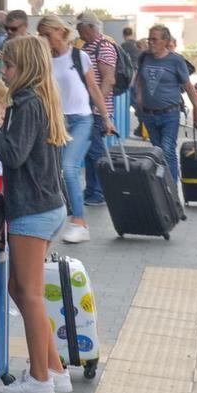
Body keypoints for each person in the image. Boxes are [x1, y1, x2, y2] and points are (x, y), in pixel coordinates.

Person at [0, 36, 72, 393]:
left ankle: (40, 381)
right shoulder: (43, 99)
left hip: (32, 210)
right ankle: (55, 370)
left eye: (10, 65)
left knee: (31, 295)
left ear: (25, 67)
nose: (5, 71)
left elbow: (15, 155)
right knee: (18, 289)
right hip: (48, 207)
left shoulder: (24, 102)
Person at [37, 16, 114, 245]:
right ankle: (53, 219)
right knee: (50, 171)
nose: (43, 39)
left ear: (60, 32)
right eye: (40, 35)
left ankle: (79, 223)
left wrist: (106, 118)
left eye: (47, 34)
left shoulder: (78, 57)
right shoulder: (43, 60)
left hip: (81, 119)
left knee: (68, 169)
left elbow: (93, 88)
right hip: (55, 121)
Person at [137, 24, 197, 180]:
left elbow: (188, 87)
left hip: (169, 114)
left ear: (166, 41)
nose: (150, 43)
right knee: (157, 151)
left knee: (167, 149)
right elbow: (140, 78)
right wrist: (139, 96)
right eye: (149, 39)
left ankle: (171, 189)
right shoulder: (144, 58)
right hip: (149, 114)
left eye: (154, 39)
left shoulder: (176, 61)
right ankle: (161, 185)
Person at [76, 13, 117, 206]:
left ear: (90, 28)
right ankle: (92, 189)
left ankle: (99, 191)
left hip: (96, 111)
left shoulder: (104, 48)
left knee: (96, 152)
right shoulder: (87, 47)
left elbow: (108, 79)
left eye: (79, 27)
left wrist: (96, 105)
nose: (77, 31)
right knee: (90, 152)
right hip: (88, 109)